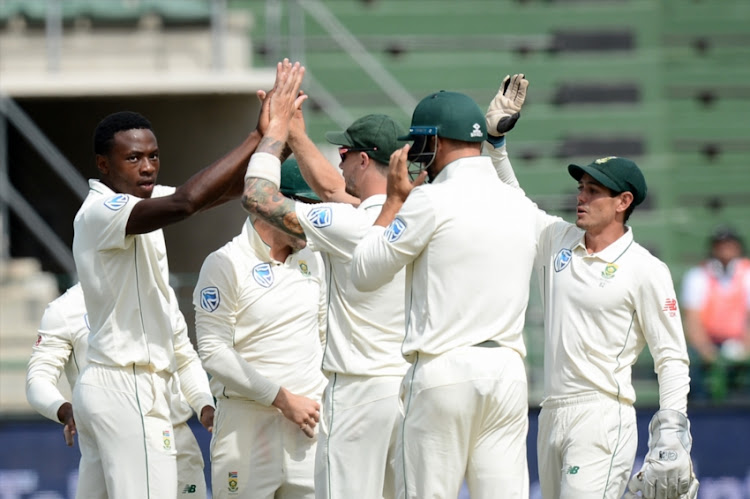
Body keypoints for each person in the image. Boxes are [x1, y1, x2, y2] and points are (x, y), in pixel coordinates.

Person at [479, 75, 699, 499]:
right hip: (551, 412)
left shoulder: (645, 268)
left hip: (602, 415)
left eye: (594, 191)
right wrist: (495, 143)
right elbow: (510, 200)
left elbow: (672, 357)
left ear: (623, 202)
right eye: (580, 188)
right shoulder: (558, 240)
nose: (581, 197)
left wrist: (672, 428)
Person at [350, 89, 546, 499]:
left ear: (434, 142)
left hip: (443, 372)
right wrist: (498, 146)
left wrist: (392, 203)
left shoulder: (429, 200)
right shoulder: (519, 205)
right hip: (507, 374)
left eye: (420, 142)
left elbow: (364, 273)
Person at [71, 101, 263, 498]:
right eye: (133, 158)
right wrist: (257, 137)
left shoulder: (143, 202)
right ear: (103, 165)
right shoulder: (102, 211)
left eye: (153, 156)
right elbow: (187, 202)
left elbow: (217, 192)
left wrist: (279, 144)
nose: (147, 167)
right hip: (128, 385)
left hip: (114, 386)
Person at [242, 59, 409, 499]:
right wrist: (297, 132)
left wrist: (274, 132)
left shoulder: (346, 224)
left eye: (347, 153)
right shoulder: (419, 212)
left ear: (364, 160)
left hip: (357, 393)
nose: (340, 159)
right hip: (408, 392)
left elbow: (257, 197)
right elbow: (336, 190)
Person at [193, 158, 326, 499]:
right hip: (246, 427)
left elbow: (324, 337)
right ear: (274, 204)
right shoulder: (225, 263)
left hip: (309, 429)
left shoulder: (316, 259)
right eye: (307, 207)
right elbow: (213, 352)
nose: (312, 221)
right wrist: (282, 399)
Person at [25, 282, 215, 498]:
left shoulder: (160, 292)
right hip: (107, 446)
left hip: (173, 437)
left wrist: (204, 403)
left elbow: (184, 358)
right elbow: (38, 380)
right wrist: (66, 411)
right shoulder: (66, 309)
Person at [681, 226, 750, 401]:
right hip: (707, 344)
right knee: (688, 364)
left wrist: (744, 348)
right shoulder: (698, 276)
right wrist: (706, 351)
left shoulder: (747, 274)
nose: (725, 250)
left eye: (730, 245)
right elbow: (693, 320)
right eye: (721, 245)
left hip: (741, 343)